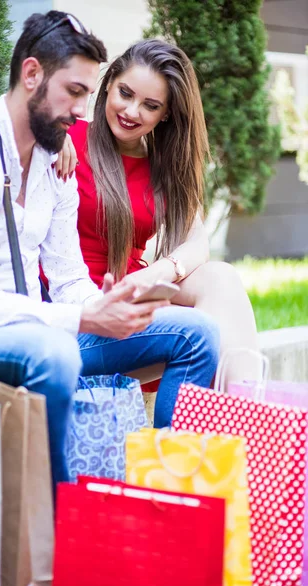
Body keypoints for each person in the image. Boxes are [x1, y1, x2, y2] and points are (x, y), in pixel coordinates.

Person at [0, 12, 220, 488]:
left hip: (39, 331)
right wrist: (85, 320)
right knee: (52, 355)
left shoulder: (55, 161)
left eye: (86, 95)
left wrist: (105, 305)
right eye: (74, 92)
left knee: (197, 335)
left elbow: (68, 276)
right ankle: (57, 521)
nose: (82, 112)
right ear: (31, 74)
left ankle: (166, 501)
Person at [55, 39, 259, 386]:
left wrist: (159, 273)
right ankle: (235, 427)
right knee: (198, 335)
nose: (132, 111)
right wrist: (50, 134)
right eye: (125, 93)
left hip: (134, 291)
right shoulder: (68, 137)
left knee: (221, 278)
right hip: (77, 306)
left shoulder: (162, 168)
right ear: (109, 84)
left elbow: (196, 241)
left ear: (166, 113)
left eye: (150, 105)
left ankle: (245, 419)